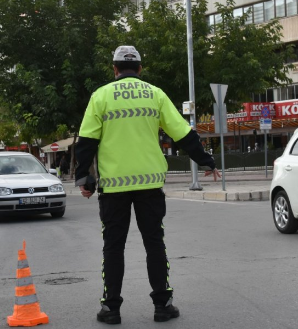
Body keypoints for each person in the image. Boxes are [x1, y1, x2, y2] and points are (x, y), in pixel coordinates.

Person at [75, 45, 221, 324]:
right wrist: (206, 161)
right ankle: (162, 305)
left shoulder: (101, 96)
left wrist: (86, 179)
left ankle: (111, 308)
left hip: (113, 189)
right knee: (155, 244)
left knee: (113, 248)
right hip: (150, 186)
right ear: (140, 69)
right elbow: (183, 133)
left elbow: (86, 142)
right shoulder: (155, 94)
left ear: (114, 69)